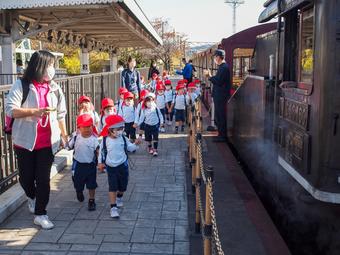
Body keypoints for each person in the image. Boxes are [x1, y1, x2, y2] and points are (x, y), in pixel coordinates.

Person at [5, 50, 67, 229]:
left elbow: (61, 114)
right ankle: (31, 197)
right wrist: (34, 112)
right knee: (25, 178)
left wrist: (64, 136)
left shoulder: (54, 88)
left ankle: (41, 213)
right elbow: (10, 109)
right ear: (40, 66)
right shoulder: (22, 85)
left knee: (43, 179)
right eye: (50, 65)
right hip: (24, 141)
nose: (52, 69)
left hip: (47, 142)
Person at [98, 115, 140, 218]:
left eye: (122, 128)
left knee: (123, 186)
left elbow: (130, 148)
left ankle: (119, 197)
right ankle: (113, 207)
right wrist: (100, 163)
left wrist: (136, 144)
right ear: (111, 130)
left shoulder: (123, 138)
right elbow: (101, 153)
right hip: (111, 167)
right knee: (112, 187)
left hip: (123, 165)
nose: (120, 131)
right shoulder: (105, 140)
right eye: (118, 129)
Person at [67, 114, 99, 211]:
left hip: (90, 165)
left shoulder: (94, 139)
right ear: (79, 128)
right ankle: (79, 191)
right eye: (84, 127)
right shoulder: (76, 137)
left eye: (89, 126)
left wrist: (101, 161)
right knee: (77, 183)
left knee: (92, 184)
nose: (87, 129)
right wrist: (65, 143)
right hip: (78, 165)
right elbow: (68, 146)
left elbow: (98, 151)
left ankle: (91, 200)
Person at [205, 49, 231, 142]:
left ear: (219, 57)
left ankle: (222, 136)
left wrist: (209, 76)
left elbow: (218, 81)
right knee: (219, 115)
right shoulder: (222, 67)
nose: (214, 59)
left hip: (221, 95)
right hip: (219, 95)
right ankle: (220, 134)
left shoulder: (224, 68)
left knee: (221, 115)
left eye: (215, 57)